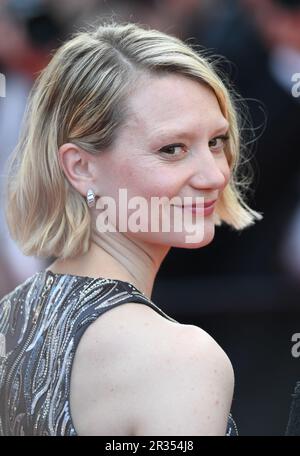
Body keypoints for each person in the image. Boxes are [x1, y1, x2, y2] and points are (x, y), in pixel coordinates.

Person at [0, 20, 261, 436]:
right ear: (81, 167)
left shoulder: (11, 315)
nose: (213, 175)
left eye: (216, 141)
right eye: (172, 149)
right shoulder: (179, 359)